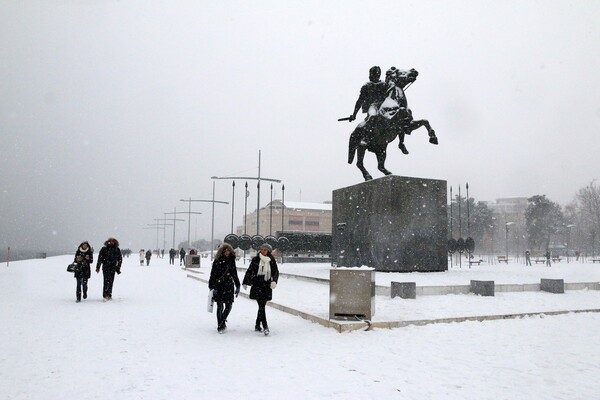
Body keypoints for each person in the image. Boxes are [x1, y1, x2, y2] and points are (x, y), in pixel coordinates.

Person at [242, 243, 279, 335]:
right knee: (261, 306)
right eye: (262, 249)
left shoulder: (271, 260)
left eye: (265, 250)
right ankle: (265, 326)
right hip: (257, 284)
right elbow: (250, 270)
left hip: (267, 285)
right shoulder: (256, 259)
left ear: (268, 251)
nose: (263, 251)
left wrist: (274, 281)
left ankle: (257, 325)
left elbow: (275, 272)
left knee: (262, 306)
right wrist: (245, 282)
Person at [208, 244, 241, 333]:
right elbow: (213, 274)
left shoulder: (231, 261)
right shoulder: (217, 261)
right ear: (222, 251)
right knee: (220, 306)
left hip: (229, 285)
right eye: (225, 251)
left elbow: (234, 274)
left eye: (228, 251)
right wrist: (211, 287)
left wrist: (238, 285)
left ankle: (222, 320)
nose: (227, 252)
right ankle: (220, 325)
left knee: (229, 305)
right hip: (219, 285)